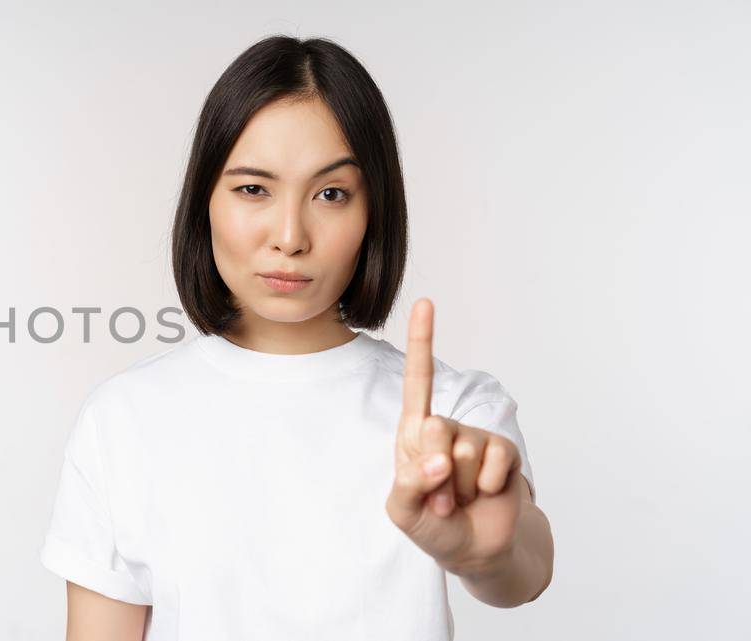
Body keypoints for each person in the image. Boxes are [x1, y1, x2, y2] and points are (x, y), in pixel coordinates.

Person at [37, 35, 554, 640]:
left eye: (331, 194)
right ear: (204, 200)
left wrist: (485, 554)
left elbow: (526, 568)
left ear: (374, 212)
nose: (290, 235)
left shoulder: (453, 415)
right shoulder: (122, 419)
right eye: (253, 188)